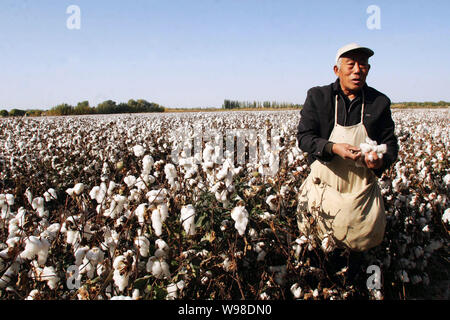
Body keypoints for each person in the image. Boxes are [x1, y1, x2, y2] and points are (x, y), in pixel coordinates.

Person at [296, 43, 398, 252]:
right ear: (337, 70)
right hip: (322, 190)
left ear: (368, 70)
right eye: (351, 65)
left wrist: (379, 161)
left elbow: (391, 147)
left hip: (361, 195)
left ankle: (354, 281)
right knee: (317, 248)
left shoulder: (379, 103)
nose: (357, 70)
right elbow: (304, 138)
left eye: (363, 65)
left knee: (360, 250)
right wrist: (333, 148)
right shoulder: (318, 97)